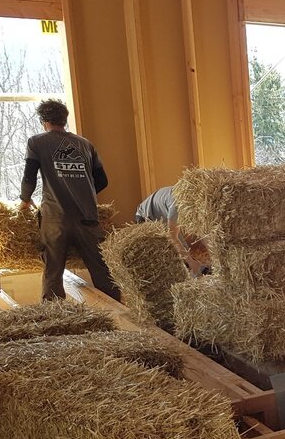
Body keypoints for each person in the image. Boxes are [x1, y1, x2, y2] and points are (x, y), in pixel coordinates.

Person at [18, 99, 120, 301]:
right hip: (87, 217)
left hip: (55, 218)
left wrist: (24, 201)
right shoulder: (85, 144)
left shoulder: (37, 142)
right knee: (100, 268)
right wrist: (83, 194)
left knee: (53, 270)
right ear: (64, 120)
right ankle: (118, 310)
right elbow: (102, 180)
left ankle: (56, 315)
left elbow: (29, 175)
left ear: (44, 120)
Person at [135, 186, 209, 274]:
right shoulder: (177, 205)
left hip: (161, 213)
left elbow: (201, 232)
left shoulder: (195, 200)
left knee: (183, 248)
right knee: (168, 251)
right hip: (145, 217)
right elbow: (173, 238)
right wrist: (191, 263)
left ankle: (198, 270)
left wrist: (214, 257)